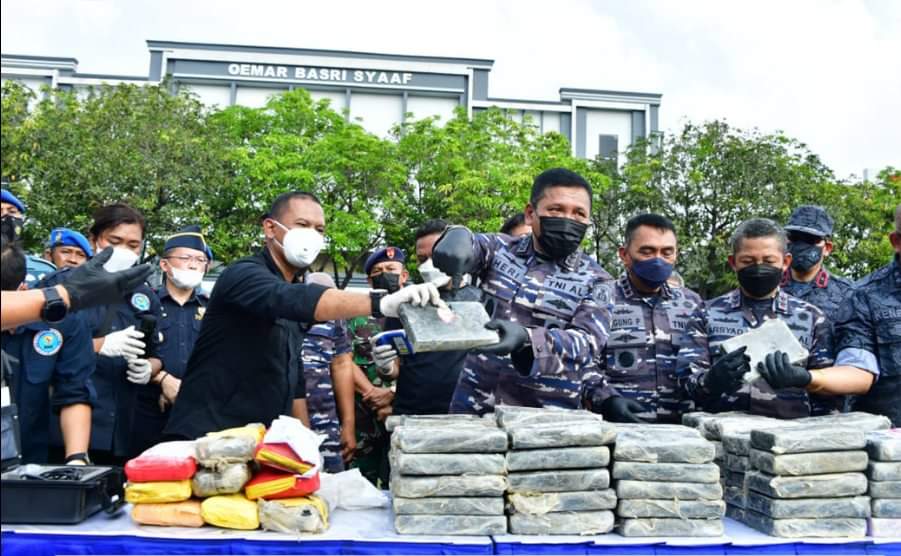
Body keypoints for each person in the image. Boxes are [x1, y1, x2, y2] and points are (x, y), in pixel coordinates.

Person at [164, 191, 443, 441]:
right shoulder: (244, 275)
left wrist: (301, 440)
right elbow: (291, 300)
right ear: (270, 228)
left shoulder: (294, 285)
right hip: (207, 435)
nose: (311, 234)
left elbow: (292, 371)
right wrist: (380, 301)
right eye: (302, 225)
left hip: (258, 439)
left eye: (319, 228)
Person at [432, 168, 615, 414]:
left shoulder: (598, 280)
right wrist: (457, 235)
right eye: (556, 210)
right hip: (474, 406)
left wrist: (527, 339)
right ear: (530, 213)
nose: (567, 219)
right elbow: (472, 244)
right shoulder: (499, 249)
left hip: (544, 416)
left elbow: (587, 344)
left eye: (579, 213)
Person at [697, 218, 869, 418]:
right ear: (733, 262)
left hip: (789, 439)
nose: (759, 267)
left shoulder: (812, 318)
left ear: (785, 262)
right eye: (748, 261)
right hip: (720, 437)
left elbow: (827, 398)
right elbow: (684, 386)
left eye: (769, 261)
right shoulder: (705, 314)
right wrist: (710, 380)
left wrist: (803, 379)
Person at [39, 203, 164, 463]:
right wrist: (99, 345)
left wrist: (149, 368)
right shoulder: (61, 286)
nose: (123, 250)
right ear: (95, 240)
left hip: (123, 427)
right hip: (65, 427)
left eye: (133, 245)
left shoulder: (143, 294)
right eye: (114, 241)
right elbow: (39, 347)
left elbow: (156, 351)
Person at [584, 214, 709, 423]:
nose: (658, 260)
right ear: (624, 255)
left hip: (683, 432)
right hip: (622, 427)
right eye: (647, 251)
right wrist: (606, 399)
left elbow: (701, 367)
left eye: (666, 252)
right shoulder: (600, 299)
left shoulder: (692, 304)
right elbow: (581, 360)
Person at [1, 234, 95, 464]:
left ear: (23, 291)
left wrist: (77, 459)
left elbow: (74, 390)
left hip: (27, 462)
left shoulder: (61, 322)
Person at [129, 226, 210, 455]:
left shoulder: (212, 309)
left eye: (200, 260)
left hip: (197, 410)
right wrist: (163, 379)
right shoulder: (144, 302)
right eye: (186, 258)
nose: (194, 265)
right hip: (147, 408)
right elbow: (133, 353)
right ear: (164, 265)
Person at [823, 204, 901, 425]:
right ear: (897, 242)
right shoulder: (863, 296)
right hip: (888, 445)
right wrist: (811, 378)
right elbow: (857, 368)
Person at [347, 245, 406, 487]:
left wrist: (392, 395)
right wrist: (371, 394)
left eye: (391, 269)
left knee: (403, 478)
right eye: (378, 271)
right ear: (369, 280)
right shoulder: (354, 313)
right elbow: (342, 360)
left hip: (404, 408)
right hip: (364, 412)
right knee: (362, 483)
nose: (385, 273)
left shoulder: (418, 311)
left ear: (404, 276)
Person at [300, 272, 356, 473]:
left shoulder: (334, 316)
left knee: (333, 489)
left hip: (325, 421)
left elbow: (342, 364)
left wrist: (348, 424)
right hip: (284, 423)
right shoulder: (279, 310)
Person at [781, 205, 854, 326]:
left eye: (810, 240)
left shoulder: (847, 293)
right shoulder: (767, 285)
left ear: (827, 248)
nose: (800, 245)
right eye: (794, 238)